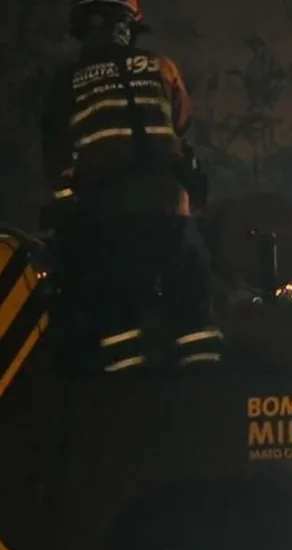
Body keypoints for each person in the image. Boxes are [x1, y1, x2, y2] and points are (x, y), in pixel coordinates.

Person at [40, 0, 221, 374]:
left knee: (116, 307)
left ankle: (127, 390)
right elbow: (182, 119)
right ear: (131, 27)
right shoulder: (161, 66)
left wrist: (67, 205)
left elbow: (57, 152)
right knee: (190, 301)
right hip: (169, 203)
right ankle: (202, 379)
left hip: (107, 212)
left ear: (83, 29)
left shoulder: (68, 82)